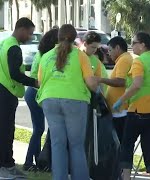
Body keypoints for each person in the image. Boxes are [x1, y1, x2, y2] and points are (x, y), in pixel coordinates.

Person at [36, 24, 99, 180]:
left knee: (58, 144)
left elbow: (39, 82)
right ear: (75, 38)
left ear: (58, 37)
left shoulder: (46, 56)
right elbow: (91, 83)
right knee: (76, 145)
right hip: (75, 100)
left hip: (49, 100)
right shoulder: (80, 56)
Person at [112, 32, 150, 180]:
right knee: (148, 146)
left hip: (140, 109)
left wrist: (121, 100)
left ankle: (125, 177)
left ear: (143, 44)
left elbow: (137, 84)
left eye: (134, 43)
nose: (132, 46)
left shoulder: (139, 62)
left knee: (127, 144)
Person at [0, 17, 37, 179]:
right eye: (29, 33)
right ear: (21, 29)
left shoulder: (5, 43)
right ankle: (7, 166)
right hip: (7, 93)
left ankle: (6, 164)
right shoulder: (14, 48)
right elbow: (15, 74)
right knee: (7, 131)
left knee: (4, 130)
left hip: (2, 89)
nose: (30, 37)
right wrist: (35, 82)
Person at [23, 28, 59, 172]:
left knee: (39, 129)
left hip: (34, 93)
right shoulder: (47, 56)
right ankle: (29, 162)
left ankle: (38, 161)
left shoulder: (42, 53)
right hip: (36, 93)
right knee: (39, 129)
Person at [100, 36, 133, 143]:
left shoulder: (124, 60)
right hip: (118, 109)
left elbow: (120, 81)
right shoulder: (124, 59)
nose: (109, 53)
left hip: (120, 110)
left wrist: (101, 80)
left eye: (110, 50)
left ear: (118, 48)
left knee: (119, 141)